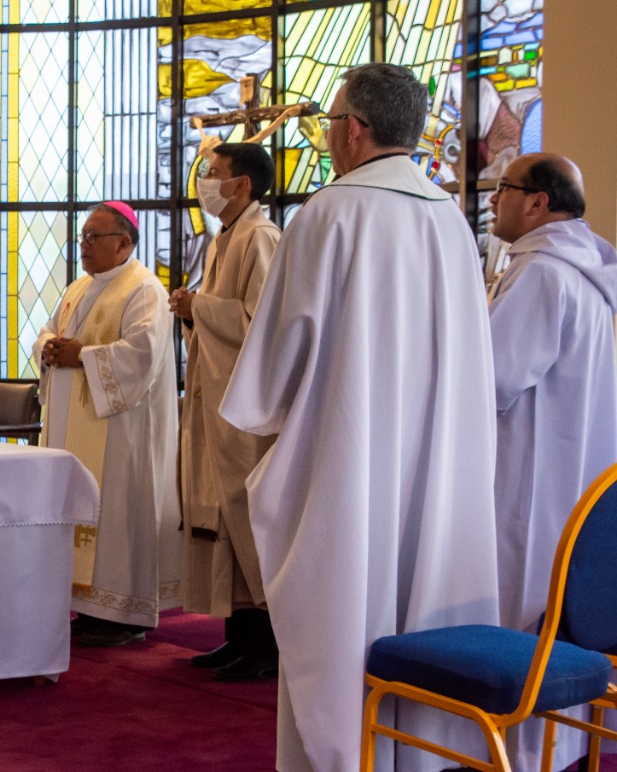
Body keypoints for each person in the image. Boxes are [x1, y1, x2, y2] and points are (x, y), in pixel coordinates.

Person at [219, 63, 501, 771]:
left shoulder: (329, 213)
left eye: (330, 120)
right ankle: (426, 754)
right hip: (438, 464)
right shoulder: (449, 219)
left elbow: (278, 362)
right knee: (422, 598)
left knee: (347, 612)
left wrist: (266, 406)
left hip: (349, 457)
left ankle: (344, 753)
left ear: (354, 128)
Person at [486, 153, 617, 772]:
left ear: (538, 203)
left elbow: (495, 379)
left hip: (529, 482)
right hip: (579, 475)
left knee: (522, 614)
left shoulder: (541, 274)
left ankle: (517, 748)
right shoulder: (590, 270)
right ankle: (562, 745)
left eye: (502, 188)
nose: (492, 198)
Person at [34, 201, 180, 647]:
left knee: (117, 510)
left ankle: (123, 611)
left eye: (93, 238)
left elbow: (142, 355)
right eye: (82, 237)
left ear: (123, 243)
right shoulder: (79, 287)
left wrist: (83, 356)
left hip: (121, 430)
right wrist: (50, 347)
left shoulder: (144, 290)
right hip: (71, 423)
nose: (84, 245)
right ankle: (88, 603)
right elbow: (47, 330)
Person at [170, 142, 280, 680]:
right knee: (218, 513)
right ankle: (237, 635)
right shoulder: (224, 240)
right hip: (216, 396)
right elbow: (220, 319)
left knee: (243, 513)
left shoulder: (261, 238)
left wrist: (200, 307)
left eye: (214, 173)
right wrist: (193, 313)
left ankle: (266, 643)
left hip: (245, 407)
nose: (205, 181)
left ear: (242, 185)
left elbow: (264, 323)